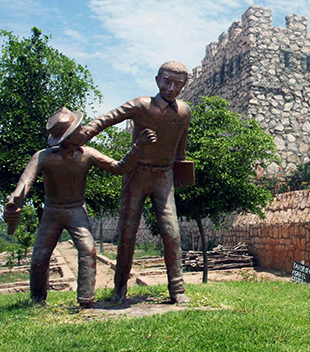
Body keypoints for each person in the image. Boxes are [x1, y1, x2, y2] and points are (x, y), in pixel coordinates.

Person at [3, 107, 156, 309]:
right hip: (52, 212)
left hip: (76, 210)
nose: (84, 130)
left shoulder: (88, 154)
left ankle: (86, 301)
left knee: (88, 250)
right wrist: (14, 203)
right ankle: (37, 300)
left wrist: (138, 146)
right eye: (78, 128)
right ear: (66, 137)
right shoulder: (43, 157)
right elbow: (25, 183)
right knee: (39, 258)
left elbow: (119, 168)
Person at [80, 61, 191, 304]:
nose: (170, 88)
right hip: (136, 175)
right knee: (127, 233)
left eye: (177, 85)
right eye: (166, 81)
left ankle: (177, 289)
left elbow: (180, 147)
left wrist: (181, 170)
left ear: (184, 87)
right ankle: (120, 287)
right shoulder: (142, 105)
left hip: (164, 177)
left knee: (171, 233)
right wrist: (82, 134)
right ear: (157, 79)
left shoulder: (184, 111)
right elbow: (107, 119)